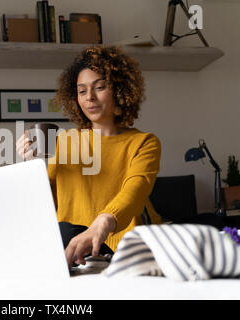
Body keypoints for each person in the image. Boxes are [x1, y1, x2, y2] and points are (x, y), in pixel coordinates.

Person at [16, 46, 163, 268]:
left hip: (118, 247)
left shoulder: (144, 143)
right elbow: (45, 204)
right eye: (82, 91)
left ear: (120, 90)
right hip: (68, 243)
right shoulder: (63, 141)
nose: (89, 98)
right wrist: (31, 166)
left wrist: (101, 224)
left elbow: (135, 191)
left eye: (100, 87)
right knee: (61, 232)